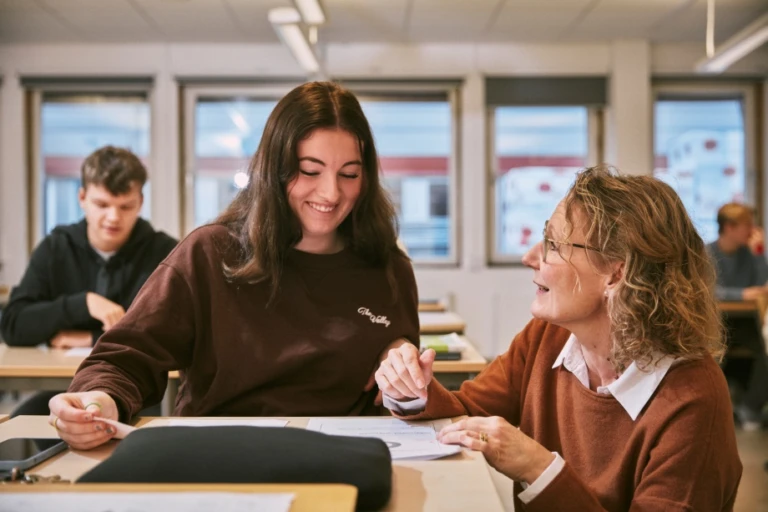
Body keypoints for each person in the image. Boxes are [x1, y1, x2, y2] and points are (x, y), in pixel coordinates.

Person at [47, 81, 420, 450]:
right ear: (275, 169)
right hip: (224, 456)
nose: (331, 193)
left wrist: (406, 382)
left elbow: (402, 400)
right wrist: (97, 404)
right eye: (310, 170)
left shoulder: (388, 269)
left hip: (342, 459)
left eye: (349, 174)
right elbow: (127, 358)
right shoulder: (210, 252)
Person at [377, 166, 742, 511]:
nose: (529, 257)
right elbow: (468, 410)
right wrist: (412, 391)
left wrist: (540, 470)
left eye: (554, 244)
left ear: (617, 274)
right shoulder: (548, 337)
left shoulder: (692, 400)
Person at [0, 146, 178, 415]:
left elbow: (170, 333)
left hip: (136, 392)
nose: (113, 217)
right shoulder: (55, 248)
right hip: (65, 390)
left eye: (125, 206)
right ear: (82, 197)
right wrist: (83, 304)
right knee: (23, 420)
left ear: (141, 202)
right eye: (102, 204)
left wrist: (88, 337)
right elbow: (13, 326)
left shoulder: (164, 252)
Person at [707, 202, 768, 431]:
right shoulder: (707, 252)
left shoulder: (749, 254)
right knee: (713, 356)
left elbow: (764, 286)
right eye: (747, 225)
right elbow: (707, 289)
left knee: (766, 352)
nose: (753, 230)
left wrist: (759, 253)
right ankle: (716, 412)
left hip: (745, 323)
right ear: (729, 227)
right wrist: (742, 294)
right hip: (716, 323)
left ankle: (751, 408)